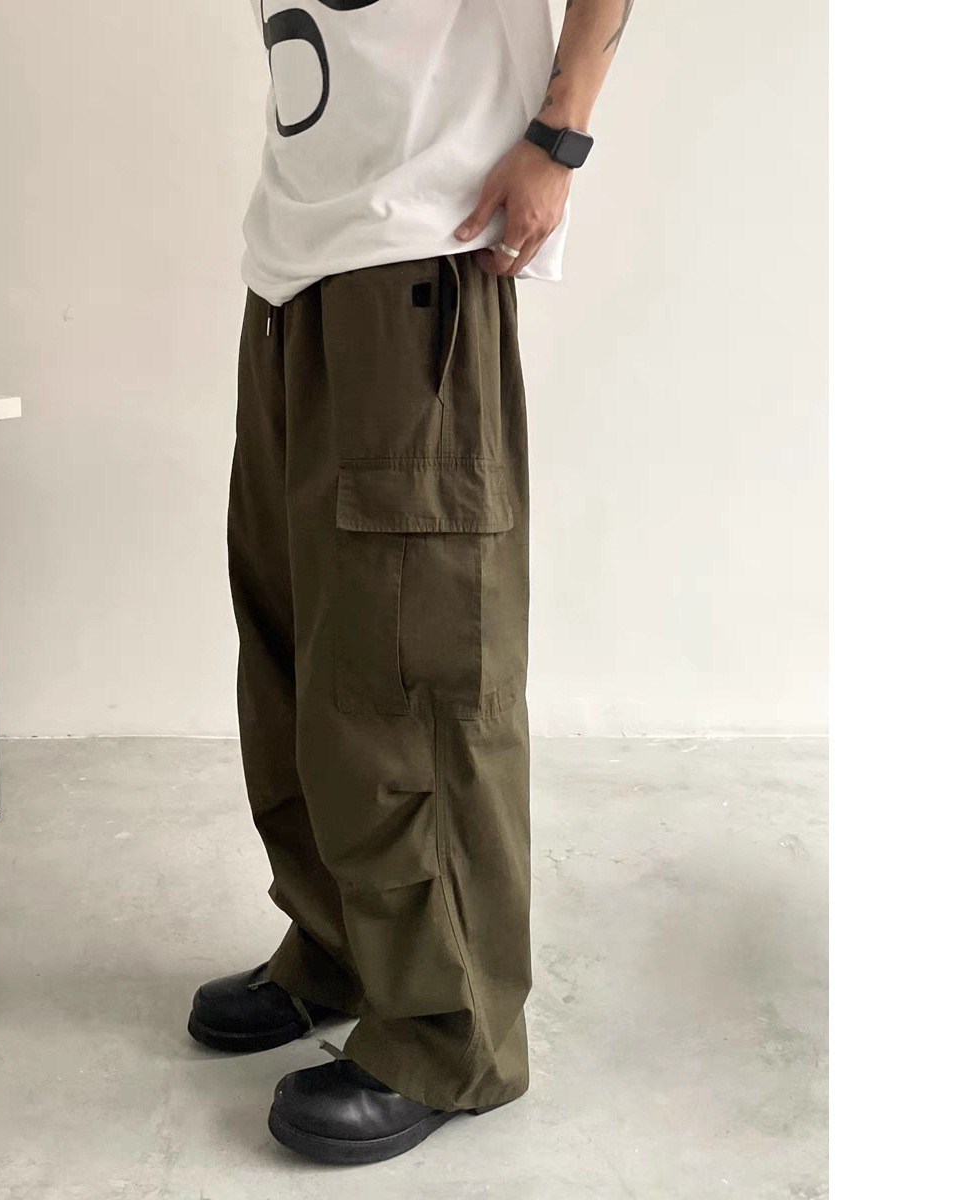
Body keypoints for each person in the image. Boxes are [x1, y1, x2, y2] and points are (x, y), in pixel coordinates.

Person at [189, 0, 636, 1166]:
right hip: (293, 266)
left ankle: (454, 1032)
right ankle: (342, 945)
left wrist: (560, 136)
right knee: (295, 652)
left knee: (416, 678)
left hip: (420, 250)